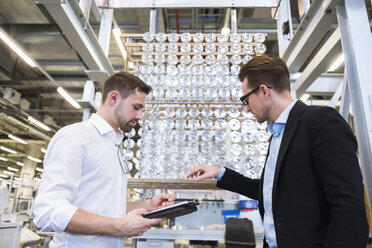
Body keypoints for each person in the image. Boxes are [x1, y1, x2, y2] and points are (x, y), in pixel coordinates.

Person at [187, 55, 369, 248]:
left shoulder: (320, 121)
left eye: (246, 99)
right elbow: (271, 191)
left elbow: (349, 208)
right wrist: (220, 173)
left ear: (264, 91)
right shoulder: (279, 133)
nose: (247, 108)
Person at [33, 71, 175, 248]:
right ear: (114, 98)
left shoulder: (114, 146)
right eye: (136, 107)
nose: (140, 117)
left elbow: (108, 209)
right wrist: (119, 227)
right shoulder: (75, 137)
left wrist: (148, 205)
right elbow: (48, 211)